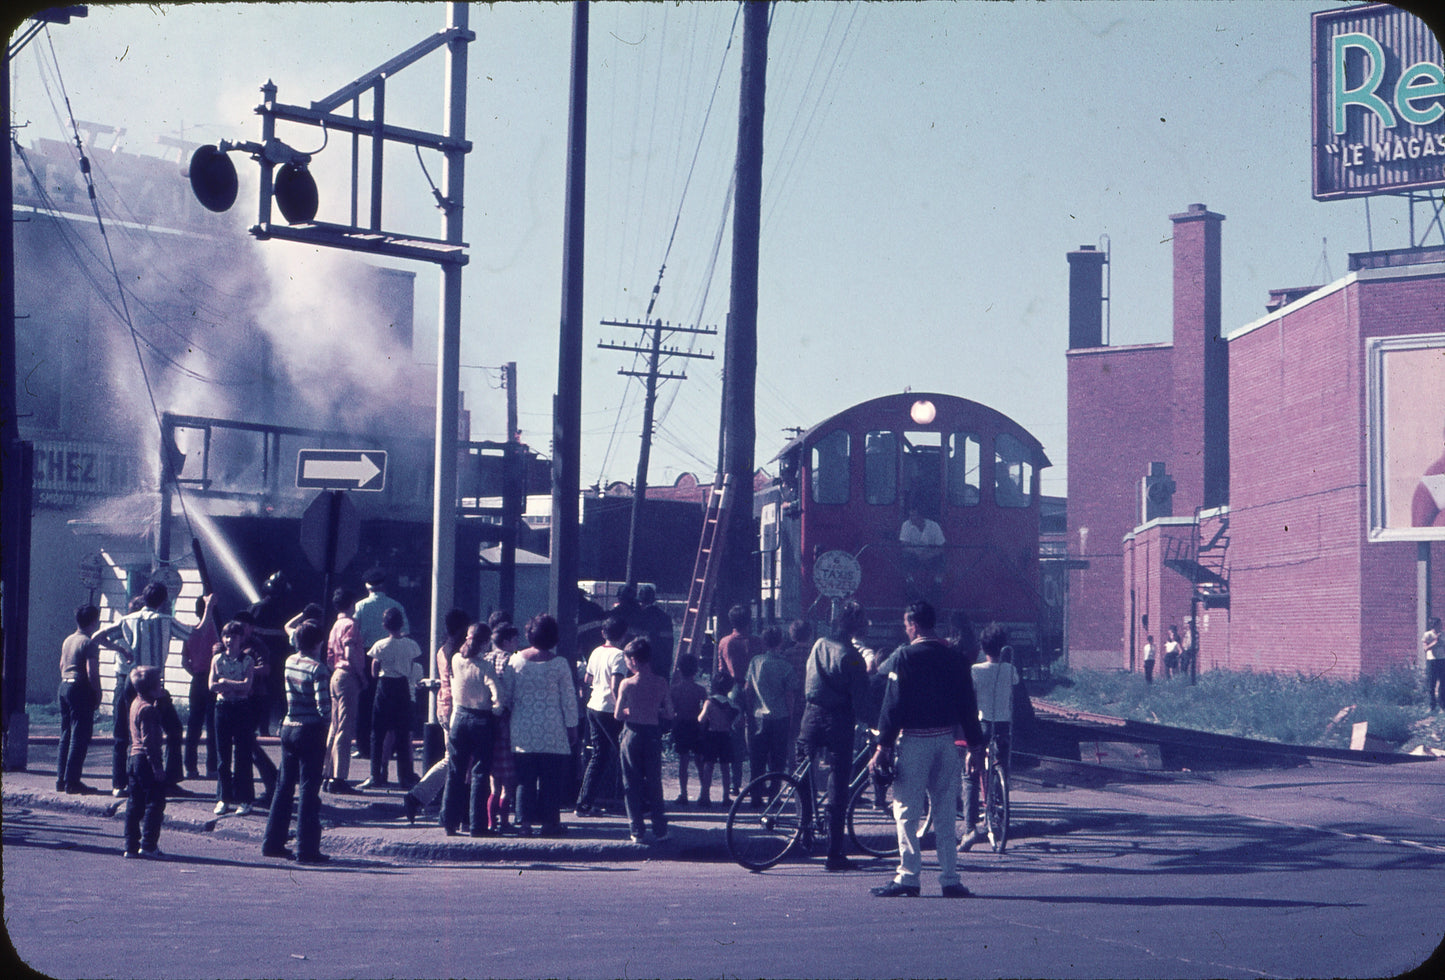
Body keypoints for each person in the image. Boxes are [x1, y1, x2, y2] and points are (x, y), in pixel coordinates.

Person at [868, 600, 984, 898]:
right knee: (945, 811)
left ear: (914, 624)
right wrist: (976, 746)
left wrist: (883, 745)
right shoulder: (954, 657)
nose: (906, 631)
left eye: (907, 626)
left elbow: (893, 704)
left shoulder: (905, 656)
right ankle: (949, 878)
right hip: (946, 743)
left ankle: (908, 876)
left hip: (915, 742)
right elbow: (968, 705)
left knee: (906, 809)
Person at [102, 581, 211, 795]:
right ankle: (169, 780)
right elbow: (198, 632)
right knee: (172, 729)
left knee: (123, 731)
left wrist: (121, 651)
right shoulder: (165, 620)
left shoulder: (127, 620)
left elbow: (99, 637)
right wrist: (209, 607)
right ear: (163, 601)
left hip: (131, 681)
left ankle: (119, 783)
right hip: (152, 682)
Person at [798, 600, 871, 872]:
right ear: (855, 626)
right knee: (838, 783)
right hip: (837, 718)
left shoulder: (818, 644)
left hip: (810, 713)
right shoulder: (852, 656)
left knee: (803, 773)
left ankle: (804, 832)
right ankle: (834, 852)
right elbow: (862, 702)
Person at [262, 619, 332, 864]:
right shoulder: (318, 669)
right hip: (310, 730)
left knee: (284, 787)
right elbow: (323, 706)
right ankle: (307, 847)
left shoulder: (290, 661)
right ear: (318, 643)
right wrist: (329, 722)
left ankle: (272, 842)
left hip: (288, 726)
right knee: (308, 790)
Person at [507, 613, 579, 837]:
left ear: (530, 634)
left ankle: (524, 824)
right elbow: (568, 699)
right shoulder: (560, 664)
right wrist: (572, 726)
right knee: (551, 779)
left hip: (522, 728)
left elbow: (508, 695)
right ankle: (550, 823)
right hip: (553, 730)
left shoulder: (515, 660)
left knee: (524, 780)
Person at [401, 609, 471, 824]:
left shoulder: (443, 650)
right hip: (458, 708)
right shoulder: (461, 653)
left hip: (444, 706)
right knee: (455, 760)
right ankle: (419, 796)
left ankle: (448, 805)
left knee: (456, 760)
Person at [442, 622, 503, 837]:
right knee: (479, 773)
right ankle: (477, 824)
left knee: (455, 771)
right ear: (486, 643)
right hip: (481, 719)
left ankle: (449, 820)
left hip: (459, 717)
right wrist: (496, 710)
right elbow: (498, 697)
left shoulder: (456, 659)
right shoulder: (485, 667)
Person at [961, 623, 1019, 851]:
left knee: (970, 774)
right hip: (1004, 726)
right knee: (1001, 766)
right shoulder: (1010, 669)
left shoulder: (976, 670)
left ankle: (969, 829)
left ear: (983, 647)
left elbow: (971, 698)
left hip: (983, 725)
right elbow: (1014, 685)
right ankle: (999, 814)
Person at [615, 637, 675, 843]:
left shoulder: (627, 684)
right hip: (652, 733)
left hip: (632, 733)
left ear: (633, 660)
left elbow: (618, 715)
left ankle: (636, 829)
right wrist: (653, 709)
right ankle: (659, 828)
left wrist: (630, 710)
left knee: (631, 782)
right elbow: (669, 713)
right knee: (654, 781)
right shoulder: (660, 682)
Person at [360, 606, 420, 789]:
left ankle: (375, 774)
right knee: (402, 733)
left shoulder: (380, 645)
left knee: (378, 732)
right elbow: (412, 665)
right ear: (402, 624)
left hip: (385, 685)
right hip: (402, 686)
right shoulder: (411, 645)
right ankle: (404, 776)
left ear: (384, 625)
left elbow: (374, 669)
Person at [575, 616, 629, 816]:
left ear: (602, 633)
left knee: (599, 755)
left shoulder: (596, 651)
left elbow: (588, 678)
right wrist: (621, 708)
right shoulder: (619, 656)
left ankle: (584, 803)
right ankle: (632, 800)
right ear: (624, 635)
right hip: (609, 708)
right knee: (625, 754)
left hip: (593, 706)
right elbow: (615, 684)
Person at [352, 569, 409, 761]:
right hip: (392, 654)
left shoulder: (360, 607)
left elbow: (354, 634)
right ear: (383, 585)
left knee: (365, 703)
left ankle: (363, 746)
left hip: (367, 656)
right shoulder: (396, 605)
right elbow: (405, 631)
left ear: (367, 586)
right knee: (389, 705)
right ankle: (389, 747)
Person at [743, 625, 799, 807]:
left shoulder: (755, 662)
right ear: (781, 642)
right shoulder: (786, 666)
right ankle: (774, 795)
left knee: (757, 758)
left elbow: (748, 689)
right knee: (778, 759)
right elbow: (790, 695)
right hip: (780, 716)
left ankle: (756, 795)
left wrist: (749, 711)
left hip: (758, 715)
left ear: (763, 642)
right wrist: (791, 717)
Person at [57, 604, 107, 794]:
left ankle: (61, 779)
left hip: (64, 685)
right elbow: (91, 671)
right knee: (80, 735)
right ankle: (73, 781)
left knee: (65, 734)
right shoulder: (89, 643)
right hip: (80, 687)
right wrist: (97, 692)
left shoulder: (68, 640)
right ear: (94, 621)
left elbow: (62, 664)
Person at [122, 666, 171, 858]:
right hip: (146, 759)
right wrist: (157, 767)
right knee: (155, 803)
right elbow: (150, 741)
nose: (161, 685)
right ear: (151, 688)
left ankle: (130, 845)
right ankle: (149, 844)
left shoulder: (136, 702)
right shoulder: (149, 710)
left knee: (134, 804)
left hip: (133, 758)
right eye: (159, 683)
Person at [210, 621, 258, 816]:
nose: (230, 640)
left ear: (241, 639)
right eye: (227, 636)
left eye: (234, 636)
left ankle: (245, 798)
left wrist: (225, 683)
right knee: (223, 756)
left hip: (242, 708)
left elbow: (247, 686)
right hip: (222, 707)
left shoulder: (247, 661)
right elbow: (211, 686)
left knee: (242, 755)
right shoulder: (217, 659)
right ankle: (223, 797)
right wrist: (232, 686)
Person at [323, 588, 365, 794]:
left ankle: (327, 772)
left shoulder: (334, 626)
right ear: (351, 604)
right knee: (345, 728)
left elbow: (330, 657)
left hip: (335, 675)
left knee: (334, 725)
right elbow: (350, 652)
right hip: (348, 675)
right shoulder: (351, 624)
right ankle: (339, 777)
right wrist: (361, 675)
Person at [485, 622, 521, 834]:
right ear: (507, 641)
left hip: (487, 720)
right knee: (508, 780)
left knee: (493, 780)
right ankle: (504, 820)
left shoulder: (486, 658)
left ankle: (491, 821)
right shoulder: (511, 660)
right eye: (515, 640)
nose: (518, 644)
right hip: (506, 721)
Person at [180, 595, 220, 780]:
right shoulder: (217, 632)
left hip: (197, 679)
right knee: (212, 725)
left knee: (194, 725)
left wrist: (195, 673)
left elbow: (184, 661)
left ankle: (190, 767)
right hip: (213, 679)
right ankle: (212, 767)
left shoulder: (190, 632)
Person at [668, 652, 707, 806]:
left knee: (683, 762)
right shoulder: (700, 689)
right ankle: (705, 793)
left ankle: (683, 794)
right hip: (696, 725)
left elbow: (672, 710)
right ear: (695, 670)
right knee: (700, 761)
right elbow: (705, 708)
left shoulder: (675, 689)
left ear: (679, 669)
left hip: (681, 725)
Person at [696, 672, 740, 809]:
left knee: (708, 766)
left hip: (712, 735)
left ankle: (705, 795)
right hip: (725, 736)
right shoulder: (733, 705)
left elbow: (701, 719)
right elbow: (737, 721)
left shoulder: (710, 702)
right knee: (725, 767)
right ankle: (726, 797)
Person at [899, 505, 946, 601]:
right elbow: (904, 546)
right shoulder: (906, 525)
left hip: (931, 556)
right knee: (905, 557)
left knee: (941, 558)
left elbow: (941, 547)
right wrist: (917, 553)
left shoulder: (934, 526)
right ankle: (910, 583)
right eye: (910, 516)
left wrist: (929, 554)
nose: (911, 518)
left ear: (921, 516)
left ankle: (937, 584)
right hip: (914, 556)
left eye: (914, 516)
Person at [634, 584, 676, 680]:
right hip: (663, 661)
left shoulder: (641, 616)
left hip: (646, 661)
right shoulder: (665, 616)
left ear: (640, 602)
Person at [1425, 617, 1444, 712]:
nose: (1441, 626)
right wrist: (1436, 642)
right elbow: (1425, 648)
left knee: (1443, 683)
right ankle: (1432, 706)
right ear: (1434, 625)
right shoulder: (1428, 635)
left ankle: (1442, 705)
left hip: (1442, 660)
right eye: (1439, 624)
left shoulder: (1443, 634)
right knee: (1431, 684)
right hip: (1432, 660)